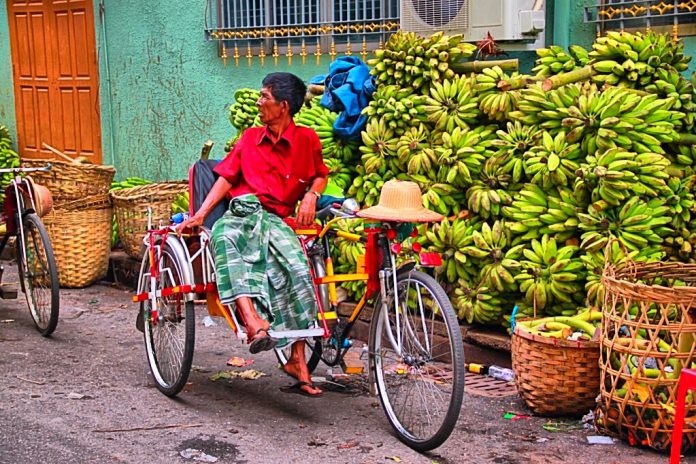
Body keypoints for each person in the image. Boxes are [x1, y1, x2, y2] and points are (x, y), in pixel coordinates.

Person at [178, 72, 328, 397]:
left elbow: (319, 176)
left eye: (265, 98)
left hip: (277, 221)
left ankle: (297, 359)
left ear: (283, 107)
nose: (259, 103)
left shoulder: (307, 141)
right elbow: (226, 178)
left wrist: (311, 196)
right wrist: (201, 214)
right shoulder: (249, 138)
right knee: (223, 239)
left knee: (298, 269)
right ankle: (252, 320)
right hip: (242, 212)